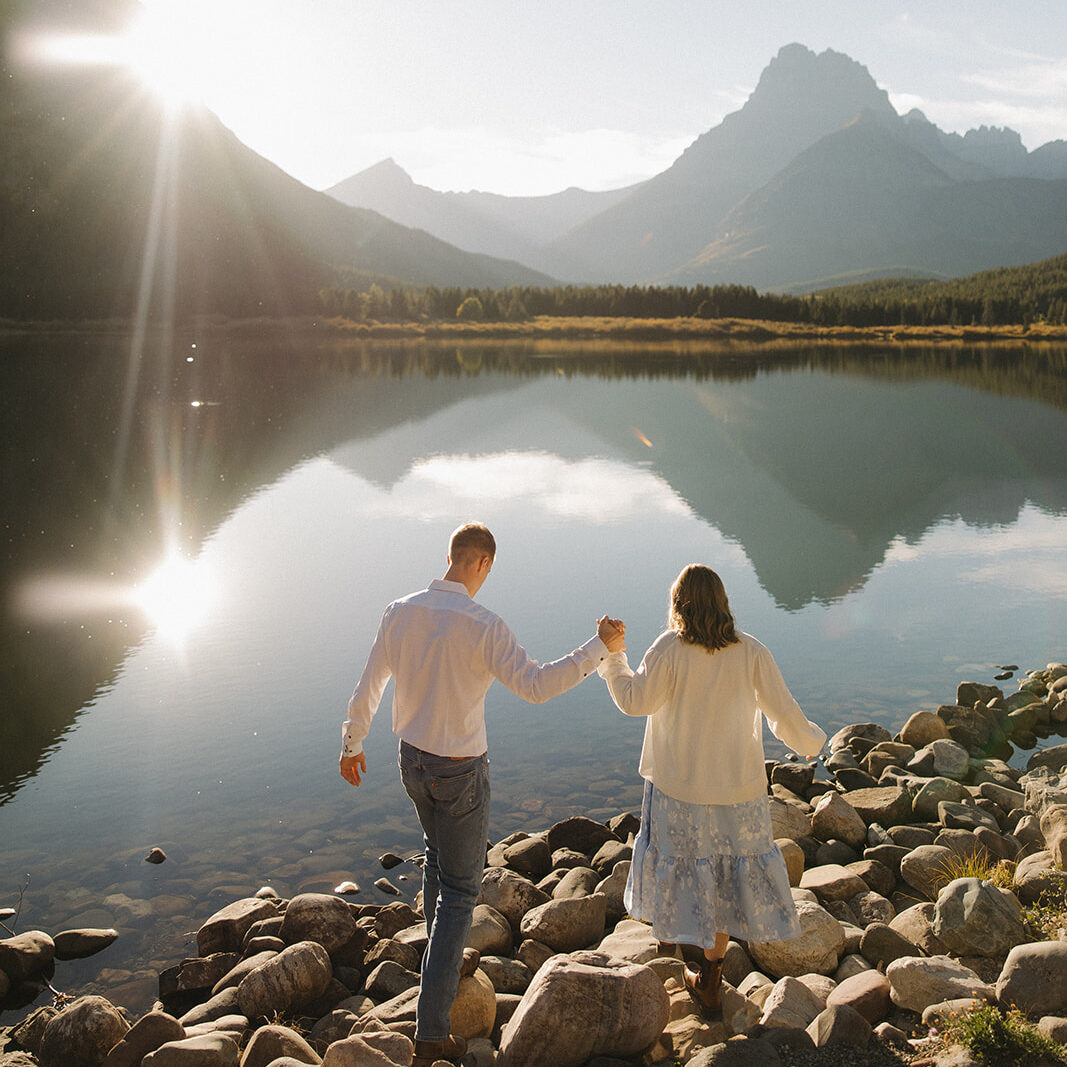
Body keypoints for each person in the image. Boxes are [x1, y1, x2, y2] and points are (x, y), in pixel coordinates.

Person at [339, 522, 625, 1067]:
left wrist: (352, 743)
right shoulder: (483, 624)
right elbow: (537, 686)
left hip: (412, 763)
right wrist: (599, 647)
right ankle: (431, 1030)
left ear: (451, 557)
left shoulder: (398, 610)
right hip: (460, 771)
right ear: (482, 565)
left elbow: (370, 681)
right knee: (462, 890)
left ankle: (439, 965)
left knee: (436, 859)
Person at [596, 564, 825, 1014]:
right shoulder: (751, 651)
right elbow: (783, 713)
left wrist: (613, 659)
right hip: (737, 791)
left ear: (678, 605)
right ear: (723, 603)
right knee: (723, 875)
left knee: (685, 871)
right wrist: (812, 743)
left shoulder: (670, 649)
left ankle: (692, 961)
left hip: (678, 788)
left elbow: (635, 701)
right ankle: (710, 973)